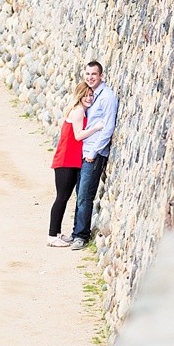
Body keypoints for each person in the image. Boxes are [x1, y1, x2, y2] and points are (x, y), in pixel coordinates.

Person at [67, 61, 118, 250]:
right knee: (79, 193)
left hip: (93, 154)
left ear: (101, 75)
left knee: (85, 196)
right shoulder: (92, 95)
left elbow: (108, 127)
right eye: (87, 74)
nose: (90, 77)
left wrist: (94, 152)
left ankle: (81, 236)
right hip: (84, 151)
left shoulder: (107, 97)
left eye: (93, 74)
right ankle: (75, 233)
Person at [47, 82, 103, 247]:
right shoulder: (78, 111)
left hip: (70, 160)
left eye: (91, 95)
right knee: (62, 197)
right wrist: (97, 127)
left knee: (64, 197)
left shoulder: (79, 110)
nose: (89, 98)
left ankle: (56, 233)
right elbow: (78, 136)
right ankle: (51, 236)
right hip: (65, 160)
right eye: (85, 95)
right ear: (79, 95)